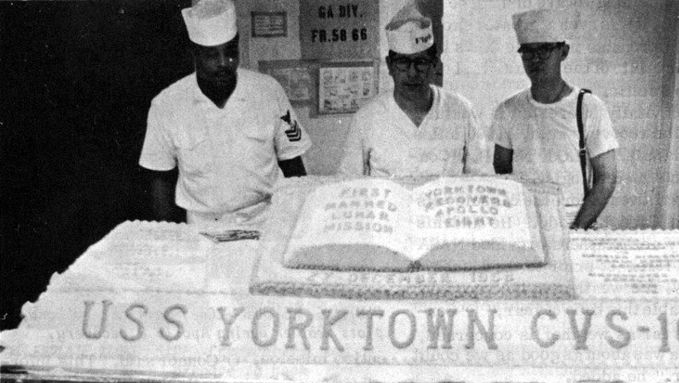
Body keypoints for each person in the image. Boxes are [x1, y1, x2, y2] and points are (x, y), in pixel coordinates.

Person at [139, 0, 310, 226]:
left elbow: (294, 164)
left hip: (265, 220)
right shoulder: (166, 105)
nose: (223, 63)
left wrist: (299, 222)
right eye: (211, 55)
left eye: (230, 51)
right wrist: (173, 239)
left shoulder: (269, 91)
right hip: (203, 228)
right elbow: (160, 181)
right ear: (195, 54)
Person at [491, 9, 618, 229]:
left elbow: (606, 178)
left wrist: (577, 229)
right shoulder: (508, 110)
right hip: (526, 223)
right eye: (528, 52)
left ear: (564, 51)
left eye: (545, 50)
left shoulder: (588, 107)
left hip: (574, 218)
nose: (535, 59)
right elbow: (503, 170)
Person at [338, 2, 492, 177]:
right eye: (403, 62)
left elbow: (481, 178)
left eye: (421, 62)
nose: (412, 72)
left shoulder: (461, 111)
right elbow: (348, 182)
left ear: (434, 64)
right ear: (390, 65)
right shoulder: (366, 118)